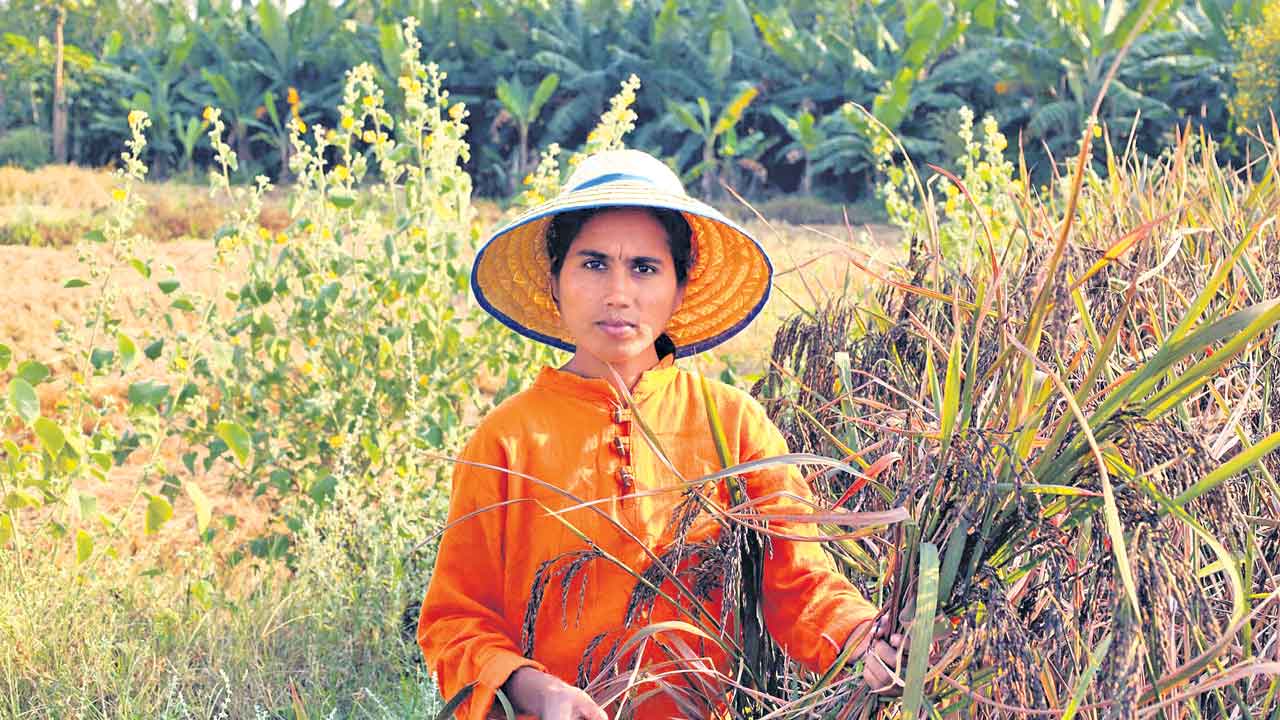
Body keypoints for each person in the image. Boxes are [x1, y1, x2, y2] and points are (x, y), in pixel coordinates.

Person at [417, 149, 903, 720]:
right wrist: (534, 690)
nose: (618, 293)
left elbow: (799, 583)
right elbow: (454, 621)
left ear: (679, 289)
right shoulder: (505, 442)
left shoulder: (732, 425)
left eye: (645, 268)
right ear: (555, 281)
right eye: (593, 264)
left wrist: (866, 640)